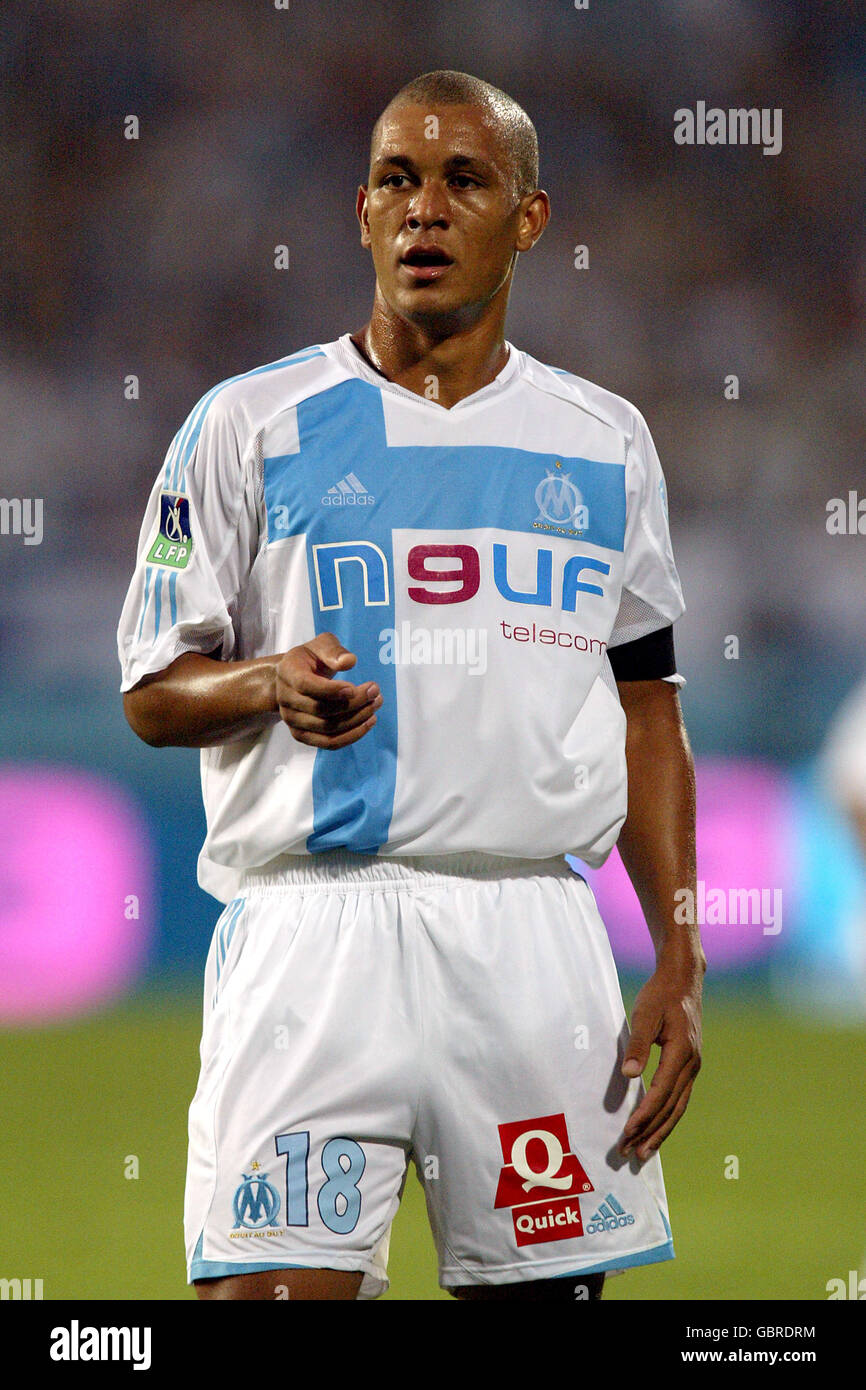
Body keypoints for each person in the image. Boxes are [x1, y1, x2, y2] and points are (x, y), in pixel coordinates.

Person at [117, 69, 705, 1302]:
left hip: (531, 937)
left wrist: (677, 957)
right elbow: (153, 692)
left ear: (529, 219)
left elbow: (648, 705)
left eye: (461, 180)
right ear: (362, 211)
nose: (423, 209)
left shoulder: (602, 440)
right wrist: (265, 683)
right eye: (396, 180)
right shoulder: (244, 423)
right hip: (309, 937)